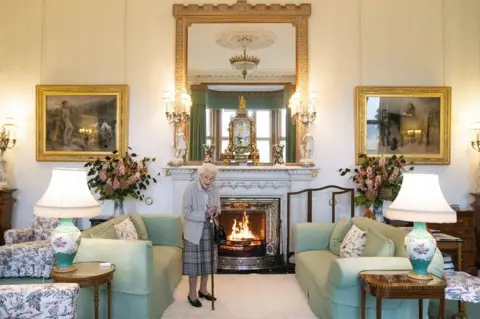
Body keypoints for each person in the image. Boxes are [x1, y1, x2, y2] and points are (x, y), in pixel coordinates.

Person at [182, 163, 220, 308]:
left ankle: (203, 290)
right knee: (194, 265)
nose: (208, 181)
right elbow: (186, 212)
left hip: (210, 229)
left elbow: (219, 208)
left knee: (207, 262)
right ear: (200, 175)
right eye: (206, 177)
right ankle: (192, 294)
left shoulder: (214, 189)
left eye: (211, 178)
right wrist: (204, 214)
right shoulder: (190, 188)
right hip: (193, 230)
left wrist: (215, 210)